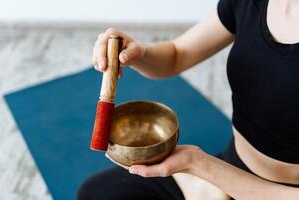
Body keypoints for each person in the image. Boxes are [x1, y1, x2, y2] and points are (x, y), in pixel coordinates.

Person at [78, 0, 299, 199]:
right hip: (233, 167)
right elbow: (177, 54)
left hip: (282, 192)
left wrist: (202, 167)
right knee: (97, 193)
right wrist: (139, 54)